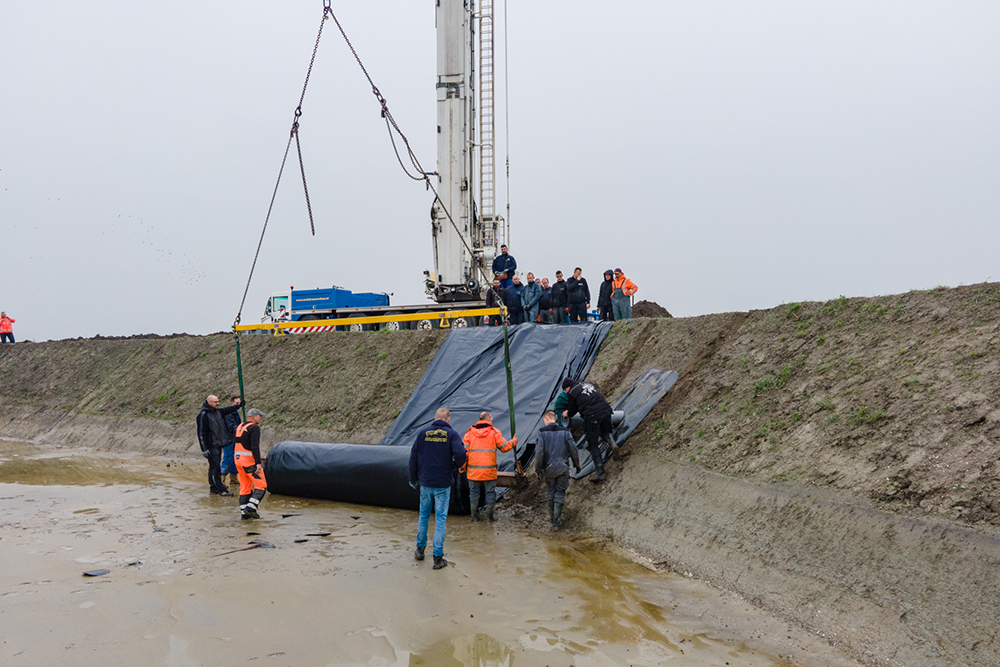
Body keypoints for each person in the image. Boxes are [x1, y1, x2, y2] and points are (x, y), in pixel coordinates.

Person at [409, 407, 468, 570]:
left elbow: (413, 457)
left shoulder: (422, 434)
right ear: (448, 420)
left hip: (425, 483)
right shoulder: (452, 435)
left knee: (424, 515)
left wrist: (413, 479)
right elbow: (461, 455)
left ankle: (420, 551)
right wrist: (454, 466)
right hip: (442, 484)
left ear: (434, 419)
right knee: (440, 519)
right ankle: (437, 558)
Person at [462, 412, 517, 522]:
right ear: (489, 419)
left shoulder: (469, 433)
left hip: (473, 471)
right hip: (489, 471)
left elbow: (464, 453)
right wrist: (514, 441)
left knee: (473, 493)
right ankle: (490, 518)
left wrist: (463, 466)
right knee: (490, 493)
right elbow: (504, 447)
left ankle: (474, 518)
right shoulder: (494, 432)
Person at [562, 378, 615, 482]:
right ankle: (613, 444)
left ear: (568, 387)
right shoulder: (586, 384)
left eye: (565, 389)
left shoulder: (572, 392)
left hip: (592, 415)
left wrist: (566, 413)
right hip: (606, 409)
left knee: (592, 444)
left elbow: (572, 411)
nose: (565, 392)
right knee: (605, 431)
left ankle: (601, 473)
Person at [535, 410, 581, 528]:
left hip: (549, 468)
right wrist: (577, 464)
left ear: (546, 418)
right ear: (555, 419)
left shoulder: (542, 432)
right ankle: (557, 519)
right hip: (563, 466)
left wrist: (538, 469)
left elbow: (539, 452)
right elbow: (573, 449)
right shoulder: (565, 431)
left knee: (551, 491)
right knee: (560, 492)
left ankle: (552, 519)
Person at [196, 394, 242, 496]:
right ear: (209, 402)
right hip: (210, 445)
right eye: (215, 402)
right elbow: (201, 433)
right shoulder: (203, 415)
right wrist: (204, 449)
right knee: (215, 466)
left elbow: (228, 409)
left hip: (218, 443)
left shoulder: (218, 412)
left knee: (214, 466)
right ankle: (221, 489)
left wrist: (238, 406)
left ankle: (214, 488)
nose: (218, 403)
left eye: (218, 401)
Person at [234, 408, 267, 520]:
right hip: (248, 460)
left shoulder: (240, 427)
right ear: (254, 416)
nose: (260, 418)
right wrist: (258, 463)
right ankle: (251, 507)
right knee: (261, 484)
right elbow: (255, 446)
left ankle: (244, 513)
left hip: (237, 460)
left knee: (245, 486)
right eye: (259, 416)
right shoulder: (254, 428)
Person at [221, 396, 242, 486]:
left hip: (234, 439)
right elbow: (231, 426)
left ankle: (233, 479)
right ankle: (221, 480)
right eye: (237, 403)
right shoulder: (228, 414)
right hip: (228, 440)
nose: (238, 405)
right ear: (232, 403)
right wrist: (241, 430)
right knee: (228, 459)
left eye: (239, 403)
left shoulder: (235, 413)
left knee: (235, 459)